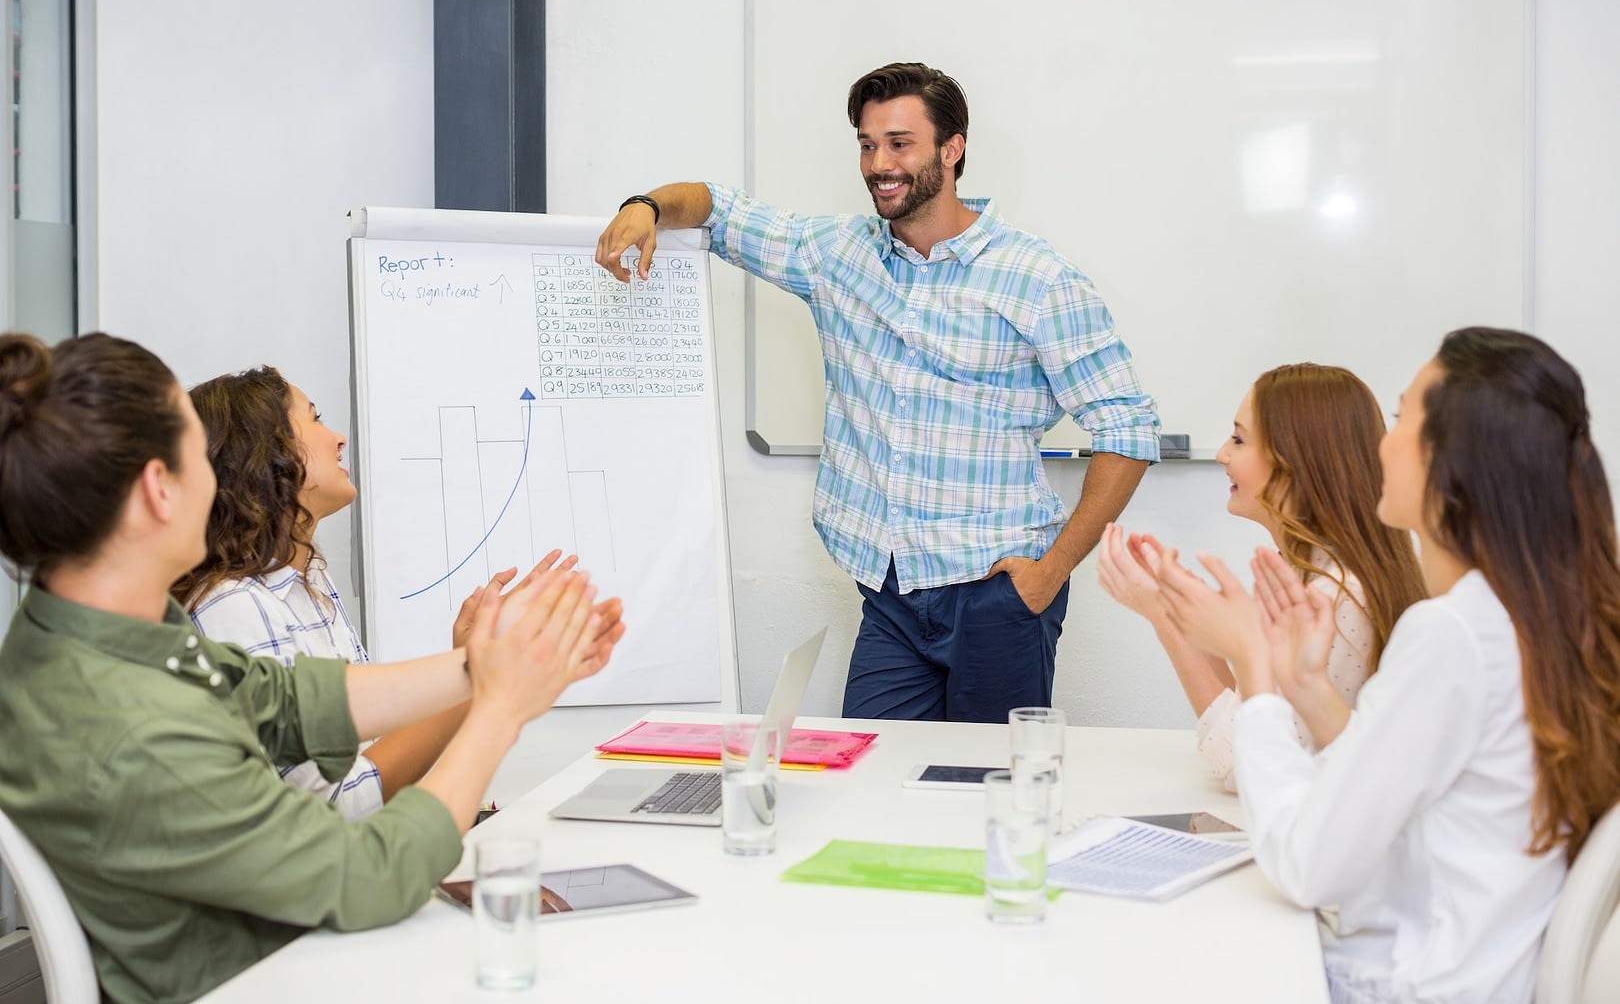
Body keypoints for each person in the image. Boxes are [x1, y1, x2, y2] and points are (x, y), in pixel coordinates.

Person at [0, 331, 623, 1004]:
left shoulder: (75, 631)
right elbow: (369, 875)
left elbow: (283, 700)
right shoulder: (134, 733)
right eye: (195, 455)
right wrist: (501, 709)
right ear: (160, 488)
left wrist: (481, 665)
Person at [595, 61, 1160, 722]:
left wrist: (1049, 572)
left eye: (899, 143)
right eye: (867, 144)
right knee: (871, 783)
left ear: (953, 149)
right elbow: (718, 209)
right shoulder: (834, 254)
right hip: (890, 591)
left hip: (995, 594)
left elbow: (1127, 426)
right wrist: (646, 206)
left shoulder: (1036, 279)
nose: (878, 163)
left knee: (986, 801)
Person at [1154, 328, 1620, 1002]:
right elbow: (1411, 789)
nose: (1382, 444)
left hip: (1404, 985)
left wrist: (1253, 667)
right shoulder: (1536, 614)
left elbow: (1307, 866)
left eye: (1403, 420)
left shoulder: (1453, 632)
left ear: (1454, 462)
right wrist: (1309, 688)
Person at [173, 368, 587, 819]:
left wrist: (471, 662)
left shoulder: (307, 581)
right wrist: (476, 675)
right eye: (314, 420)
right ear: (266, 452)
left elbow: (363, 760)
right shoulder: (233, 608)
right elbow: (338, 807)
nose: (338, 438)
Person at [1096, 364, 1426, 787]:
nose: (1221, 454)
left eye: (1238, 439)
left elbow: (1240, 763)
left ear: (1294, 461)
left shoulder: (1333, 594)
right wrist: (1189, 615)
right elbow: (1249, 712)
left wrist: (1165, 619)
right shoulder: (1310, 573)